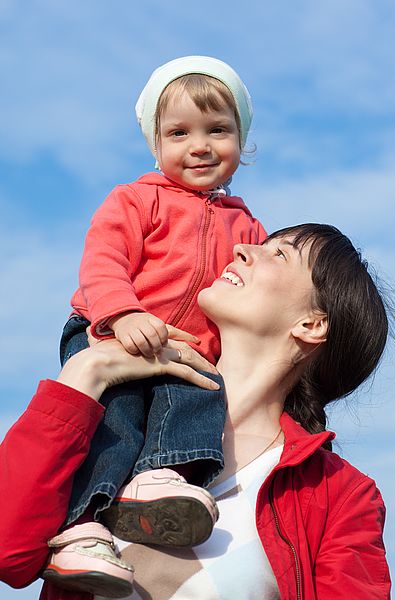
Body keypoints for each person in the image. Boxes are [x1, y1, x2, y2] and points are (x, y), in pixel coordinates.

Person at [0, 223, 392, 599]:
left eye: (279, 254)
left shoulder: (338, 494)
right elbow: (9, 553)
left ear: (312, 323)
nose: (241, 249)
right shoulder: (119, 423)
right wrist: (86, 372)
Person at [45, 55, 266, 591]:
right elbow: (103, 261)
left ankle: (156, 482)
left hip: (184, 347)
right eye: (180, 132)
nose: (201, 145)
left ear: (242, 140)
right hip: (109, 328)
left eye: (219, 130)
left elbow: (252, 293)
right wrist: (121, 312)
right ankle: (82, 528)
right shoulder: (136, 199)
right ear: (155, 143)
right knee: (115, 418)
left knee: (198, 392)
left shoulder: (249, 225)